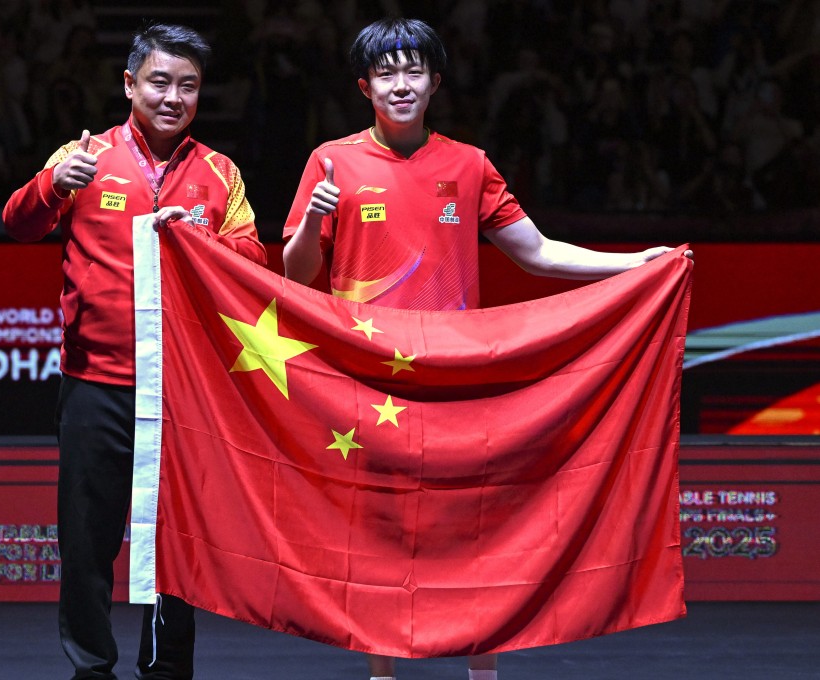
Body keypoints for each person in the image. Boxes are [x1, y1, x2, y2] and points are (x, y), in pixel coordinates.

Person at [281, 18, 691, 680]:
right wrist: (306, 225)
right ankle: (381, 672)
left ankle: (484, 669)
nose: (401, 84)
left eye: (414, 71)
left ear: (436, 82)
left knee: (470, 526)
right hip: (368, 378)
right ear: (364, 87)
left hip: (454, 374)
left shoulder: (468, 164)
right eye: (385, 73)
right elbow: (295, 279)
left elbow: (536, 252)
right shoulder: (331, 161)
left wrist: (633, 265)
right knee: (377, 531)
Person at [2, 22, 266, 680]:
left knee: (173, 544)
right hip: (96, 382)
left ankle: (167, 667)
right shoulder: (84, 154)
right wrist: (56, 183)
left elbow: (256, 262)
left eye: (189, 86)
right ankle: (91, 666)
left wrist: (203, 244)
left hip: (182, 387)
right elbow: (18, 226)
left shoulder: (218, 173)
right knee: (87, 539)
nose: (173, 97)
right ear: (129, 83)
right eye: (159, 82)